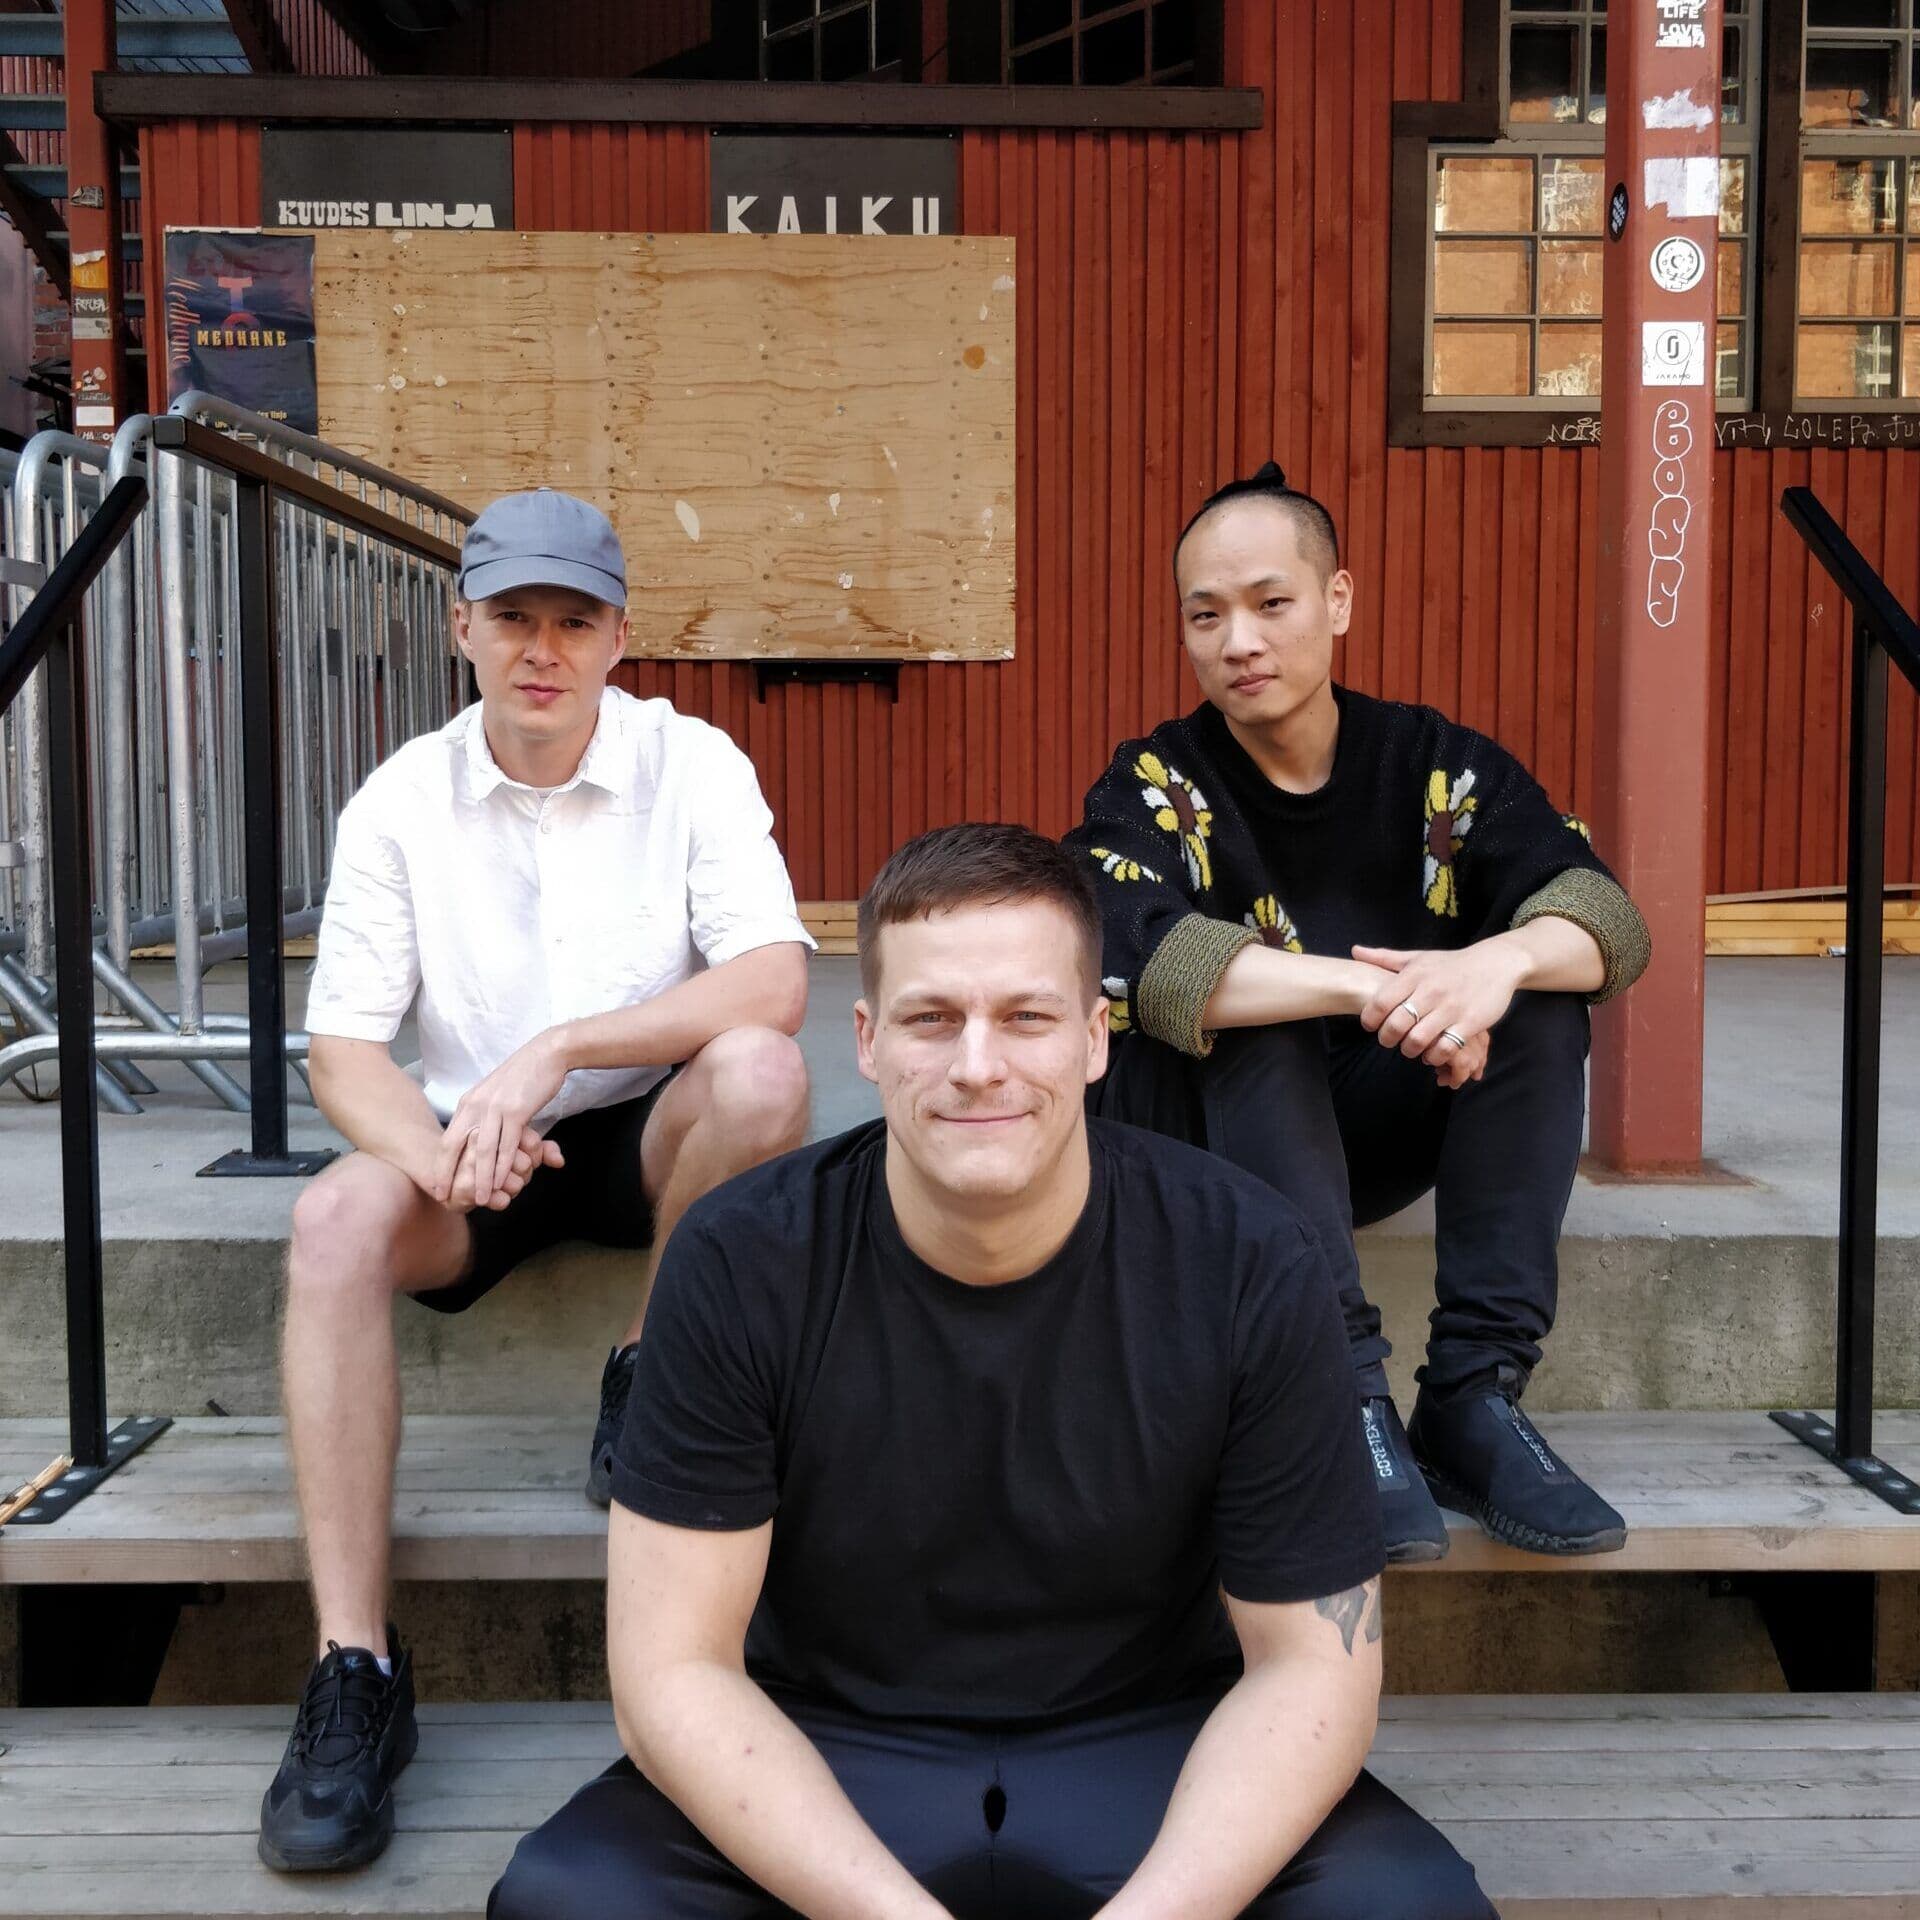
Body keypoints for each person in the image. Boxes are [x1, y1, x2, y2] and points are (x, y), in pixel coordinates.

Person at [490, 823, 1494, 1920]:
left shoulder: (1249, 1260)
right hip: (822, 1742)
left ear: (1096, 1039)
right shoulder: (740, 1258)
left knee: (1411, 1908)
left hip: (1159, 1742)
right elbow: (673, 1671)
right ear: (867, 1040)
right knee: (568, 1902)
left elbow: (1313, 1670)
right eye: (932, 1019)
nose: (978, 1067)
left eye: (1026, 1017)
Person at [258, 487, 814, 1874]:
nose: (543, 650)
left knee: (760, 1075)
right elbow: (344, 1050)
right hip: (472, 1156)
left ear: (621, 637)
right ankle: (353, 1669)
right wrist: (431, 1153)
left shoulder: (693, 764)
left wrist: (559, 1047)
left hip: (649, 1136)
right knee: (329, 1219)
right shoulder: (402, 797)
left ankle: (649, 1362)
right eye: (514, 617)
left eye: (575, 620)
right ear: (462, 627)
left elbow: (773, 980)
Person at [1065, 463, 1651, 1566]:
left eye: (1271, 603)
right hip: (1200, 1134)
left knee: (1534, 1003)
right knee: (1260, 1008)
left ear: (1337, 600)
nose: (1239, 641)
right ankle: (1341, 1395)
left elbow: (1605, 922)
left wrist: (1496, 965)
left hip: (1359, 1136)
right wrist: (1376, 987)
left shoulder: (1437, 767)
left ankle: (1473, 1397)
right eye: (1206, 615)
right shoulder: (1155, 782)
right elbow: (1138, 957)